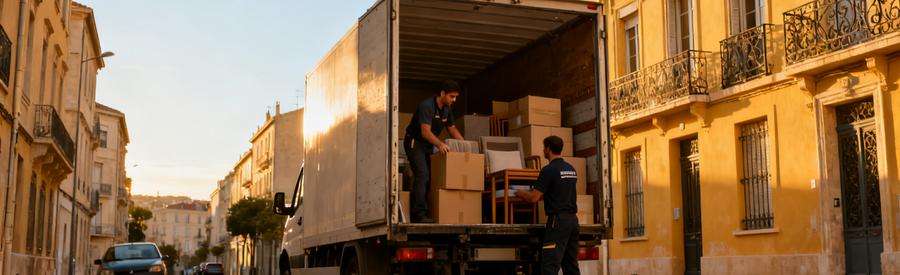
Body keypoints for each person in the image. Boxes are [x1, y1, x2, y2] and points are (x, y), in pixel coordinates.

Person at [516, 136, 580, 275]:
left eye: (544, 147)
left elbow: (533, 198)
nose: (543, 150)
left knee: (550, 266)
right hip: (573, 221)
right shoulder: (571, 170)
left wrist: (519, 193)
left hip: (558, 223)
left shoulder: (548, 170)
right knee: (571, 266)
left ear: (549, 149)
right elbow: (558, 192)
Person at [403, 80, 464, 223]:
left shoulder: (447, 109)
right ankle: (419, 215)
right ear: (442, 93)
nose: (454, 100)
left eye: (456, 97)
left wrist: (465, 146)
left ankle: (428, 210)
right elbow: (425, 132)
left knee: (431, 177)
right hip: (415, 142)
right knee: (423, 174)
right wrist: (440, 144)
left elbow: (452, 129)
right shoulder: (427, 106)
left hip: (428, 144)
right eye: (451, 96)